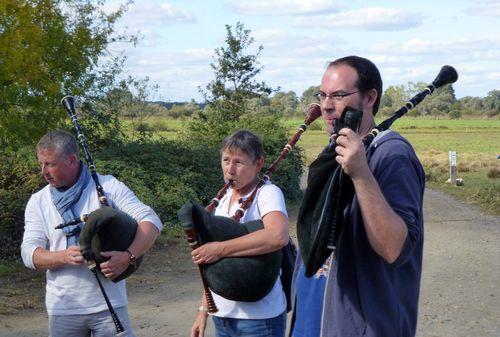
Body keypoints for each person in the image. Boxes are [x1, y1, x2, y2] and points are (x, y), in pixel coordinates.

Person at [290, 56, 425, 337]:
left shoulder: (392, 154)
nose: (326, 105)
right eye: (323, 95)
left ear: (369, 97)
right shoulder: (334, 151)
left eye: (338, 95)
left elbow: (394, 249)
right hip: (312, 324)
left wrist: (361, 173)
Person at [21, 130, 163, 337]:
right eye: (41, 163)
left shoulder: (107, 186)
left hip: (109, 306)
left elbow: (151, 221)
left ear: (72, 160)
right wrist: (63, 256)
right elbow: (29, 253)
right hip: (63, 308)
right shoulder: (38, 201)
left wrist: (129, 256)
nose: (43, 171)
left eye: (50, 164)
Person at [190, 130, 289, 337]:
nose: (230, 169)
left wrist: (220, 249)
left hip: (260, 319)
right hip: (223, 315)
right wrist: (203, 311)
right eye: (226, 160)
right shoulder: (224, 199)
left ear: (258, 164)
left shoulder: (267, 193)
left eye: (238, 162)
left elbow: (278, 236)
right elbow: (212, 264)